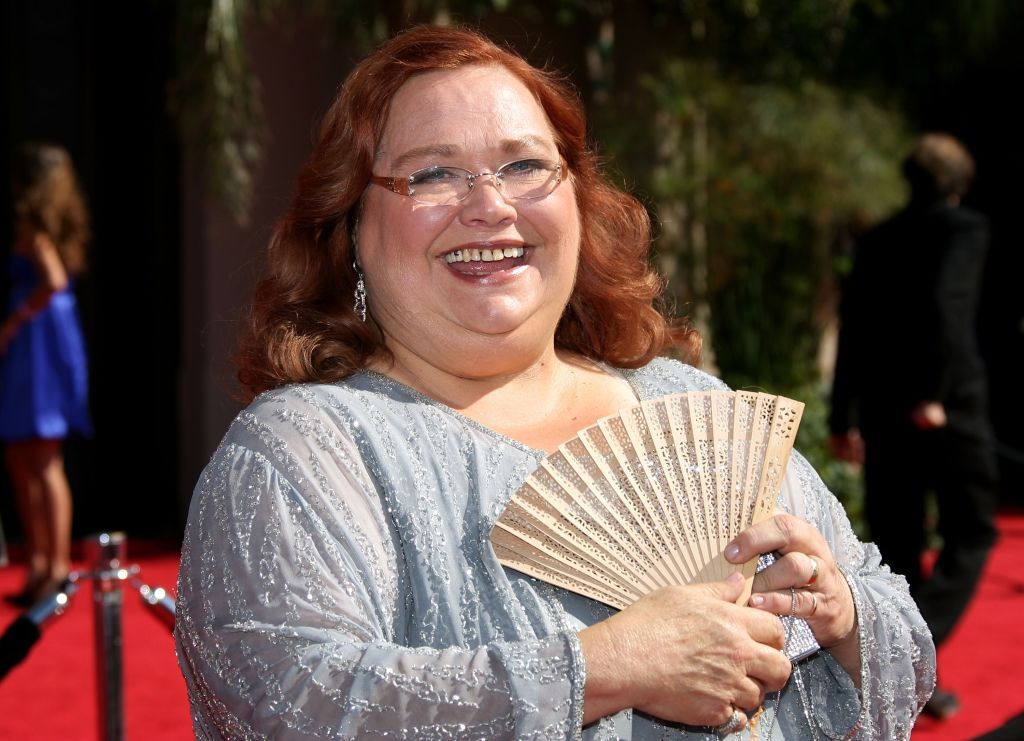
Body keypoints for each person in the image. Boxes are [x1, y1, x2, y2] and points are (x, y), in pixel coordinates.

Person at [175, 25, 934, 739]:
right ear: (350, 229)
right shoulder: (302, 452)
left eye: (524, 165)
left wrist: (841, 616)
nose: (490, 204)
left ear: (577, 196)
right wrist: (601, 669)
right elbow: (292, 700)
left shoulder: (683, 399)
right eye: (433, 173)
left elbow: (900, 636)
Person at [829, 132, 998, 720]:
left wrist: (841, 415)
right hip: (943, 410)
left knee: (897, 543)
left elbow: (854, 329)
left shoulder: (878, 239)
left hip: (882, 410)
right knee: (974, 531)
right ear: (958, 184)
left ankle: (907, 672)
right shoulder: (963, 230)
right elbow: (949, 308)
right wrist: (935, 393)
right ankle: (908, 655)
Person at [0, 142, 92, 606]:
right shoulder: (62, 223)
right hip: (49, 342)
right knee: (33, 457)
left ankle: (52, 567)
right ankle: (46, 565)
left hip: (34, 346)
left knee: (36, 457)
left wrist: (13, 323)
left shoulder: (35, 227)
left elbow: (52, 280)